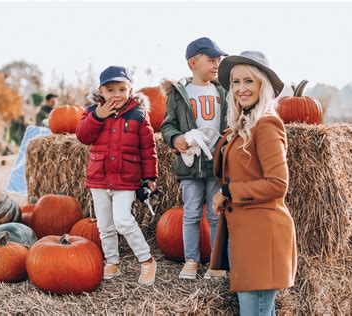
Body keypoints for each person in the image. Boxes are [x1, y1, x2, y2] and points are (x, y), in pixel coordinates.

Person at [210, 51, 298, 315]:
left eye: (249, 81)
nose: (240, 89)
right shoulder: (242, 125)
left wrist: (228, 192)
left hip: (262, 237)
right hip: (246, 236)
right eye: (236, 82)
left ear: (262, 85)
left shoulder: (267, 125)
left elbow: (277, 184)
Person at [75, 66, 158, 286]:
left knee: (122, 220)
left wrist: (150, 176)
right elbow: (83, 136)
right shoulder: (92, 111)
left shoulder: (138, 114)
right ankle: (112, 261)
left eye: (122, 89)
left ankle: (146, 259)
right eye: (110, 90)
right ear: (101, 91)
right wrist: (97, 117)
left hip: (126, 178)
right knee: (105, 225)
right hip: (99, 177)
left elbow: (148, 148)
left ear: (130, 89)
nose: (117, 94)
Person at [161, 37, 228, 280]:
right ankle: (191, 260)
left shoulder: (222, 91)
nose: (216, 64)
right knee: (190, 213)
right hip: (190, 163)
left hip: (215, 164)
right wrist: (175, 138)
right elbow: (168, 125)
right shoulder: (180, 93)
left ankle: (214, 261)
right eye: (211, 60)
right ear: (193, 63)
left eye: (218, 61)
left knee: (215, 214)